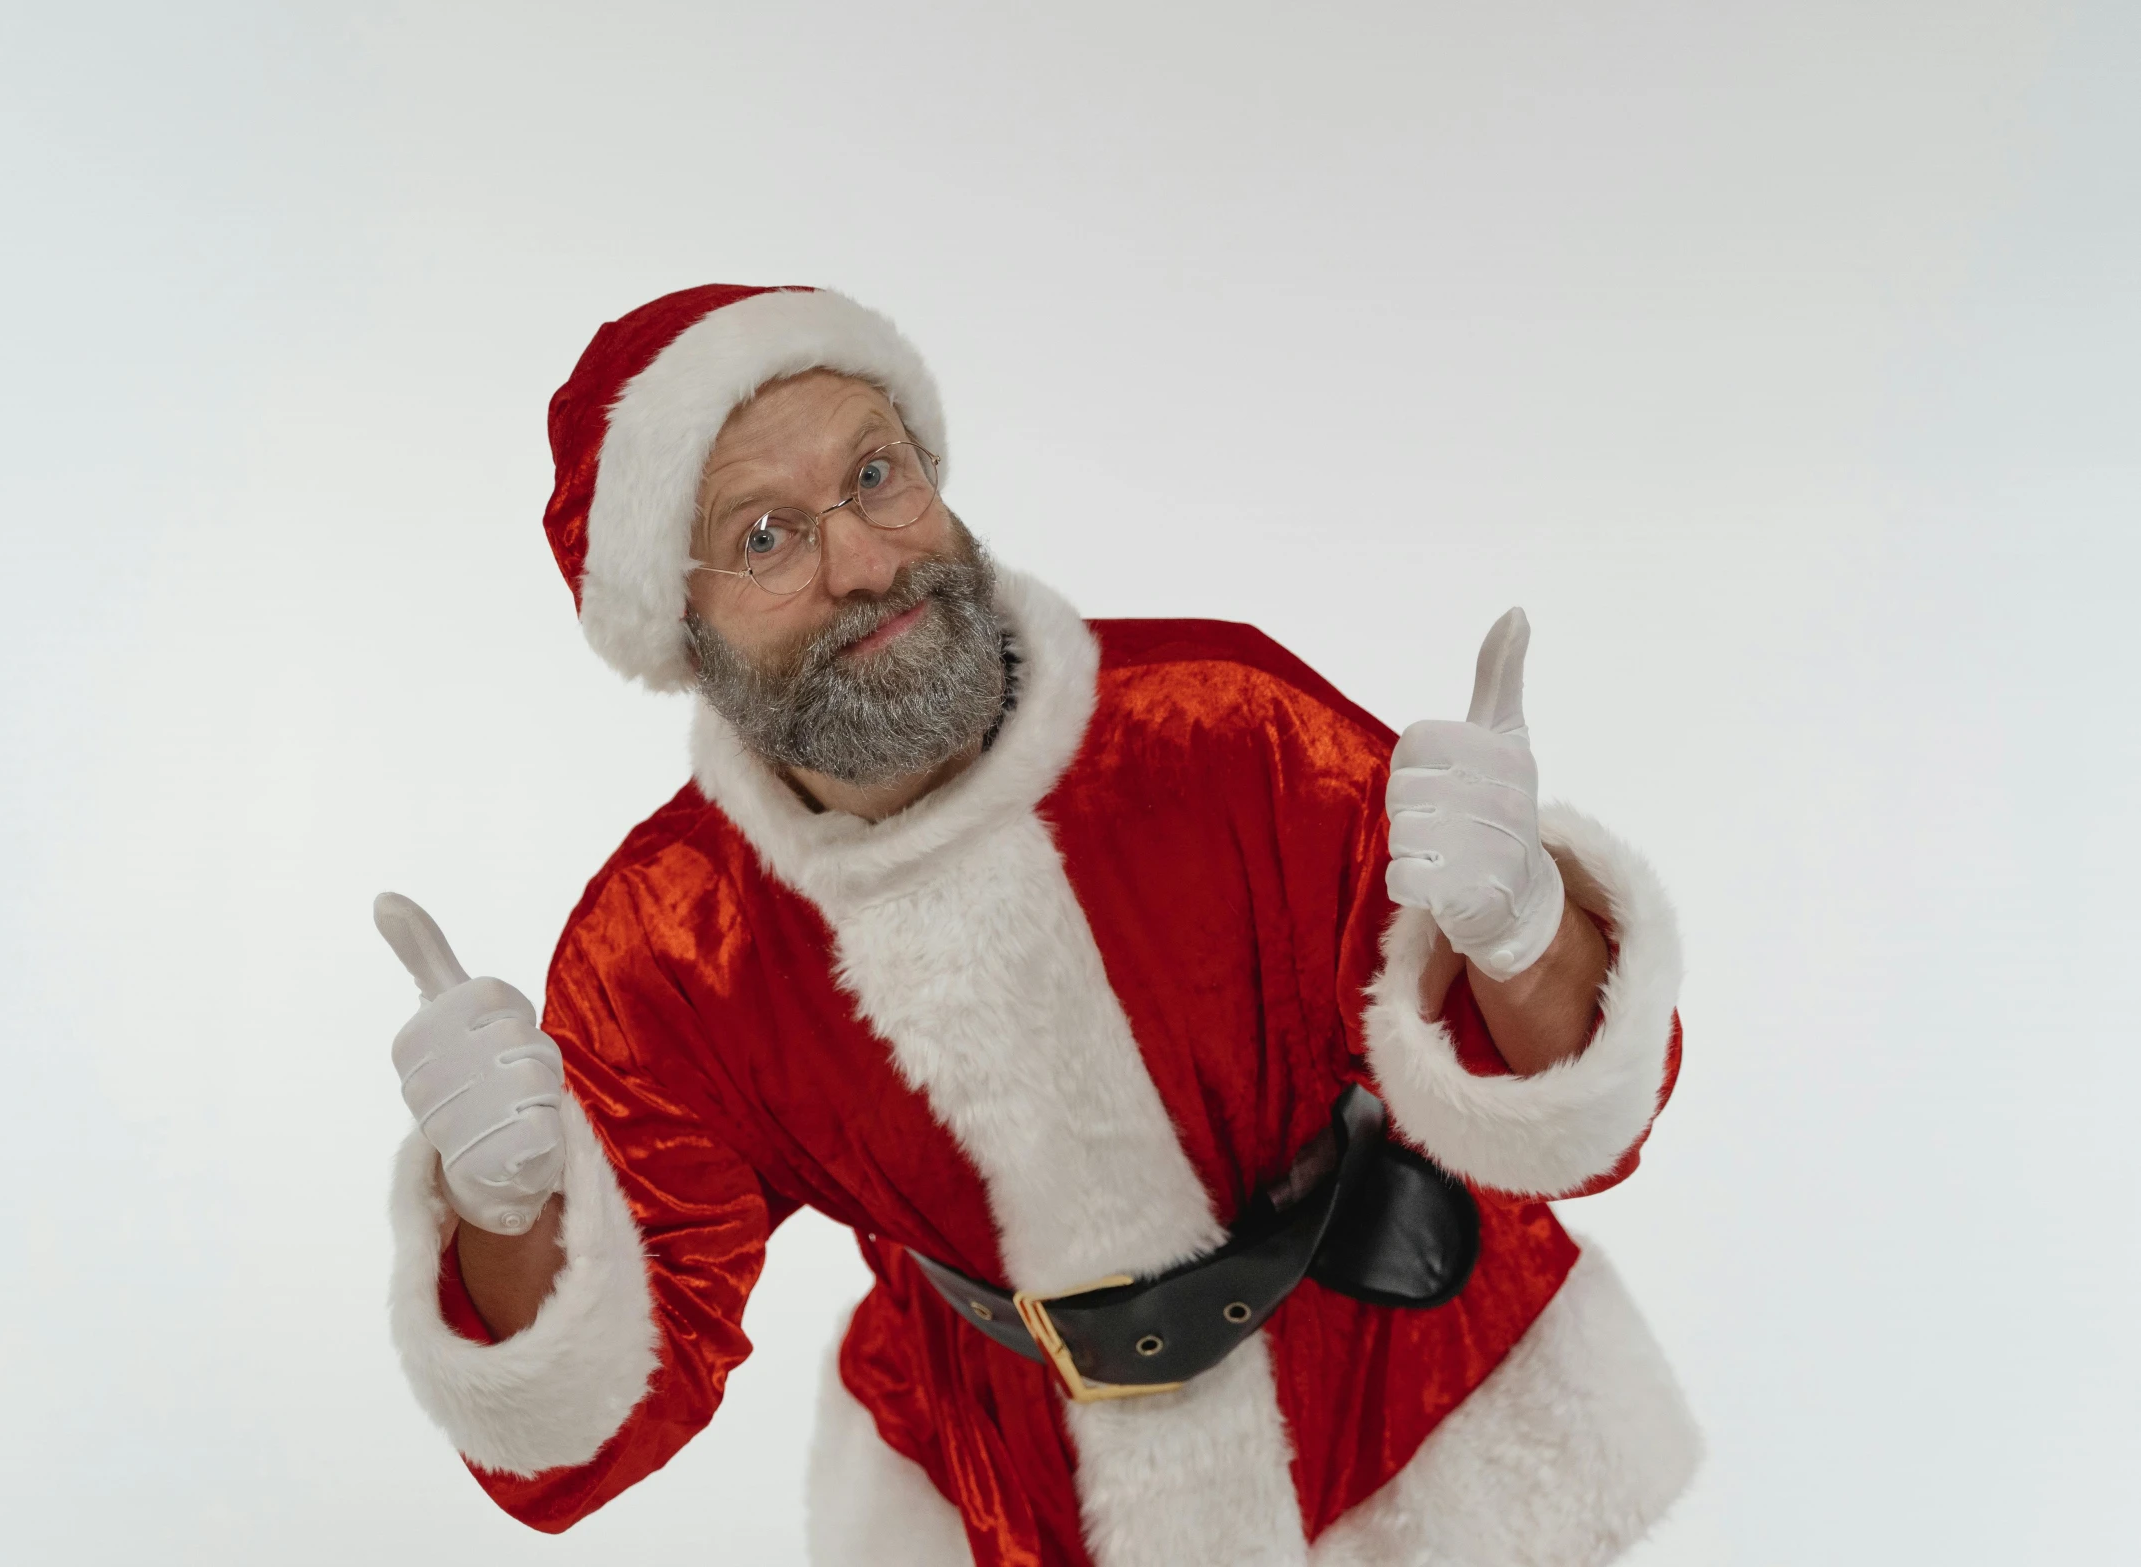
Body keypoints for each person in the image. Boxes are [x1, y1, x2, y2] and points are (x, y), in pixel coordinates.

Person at [378, 284, 1698, 1566]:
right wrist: (507, 1209)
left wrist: (1520, 926)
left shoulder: (1225, 726)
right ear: (676, 623)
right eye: (764, 536)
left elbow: (1572, 1113)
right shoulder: (668, 946)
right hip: (1016, 1489)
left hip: (1399, 1415)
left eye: (875, 474)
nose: (860, 559)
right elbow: (591, 1416)